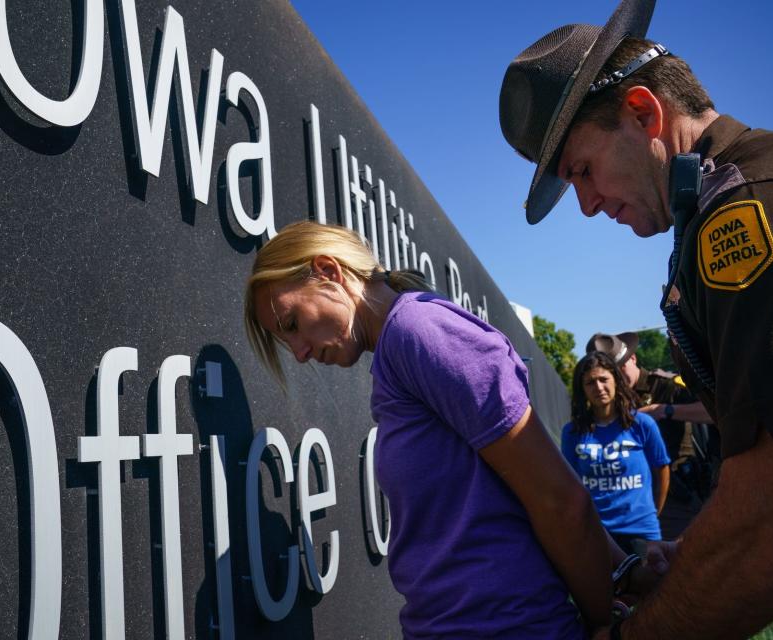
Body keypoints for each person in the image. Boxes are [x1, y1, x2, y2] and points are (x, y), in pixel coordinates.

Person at [499, 0, 773, 636]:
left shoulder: (744, 215)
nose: (585, 206)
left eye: (582, 172)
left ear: (643, 112)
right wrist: (698, 554)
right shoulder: (742, 196)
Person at [244, 221, 617, 638]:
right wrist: (626, 569)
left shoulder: (418, 332)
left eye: (292, 324)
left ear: (329, 271)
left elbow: (559, 501)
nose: (299, 354)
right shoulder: (397, 349)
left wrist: (604, 620)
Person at [586, 331, 718, 540]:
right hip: (629, 496)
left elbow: (714, 412)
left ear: (633, 358)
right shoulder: (605, 402)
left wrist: (664, 410)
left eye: (622, 367)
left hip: (676, 491)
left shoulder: (666, 386)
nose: (618, 377)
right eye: (611, 373)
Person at [562, 352, 670, 555]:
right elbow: (569, 483)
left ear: (615, 380)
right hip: (595, 534)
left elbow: (662, 470)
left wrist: (654, 512)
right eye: (590, 383)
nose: (599, 387)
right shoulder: (572, 432)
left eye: (603, 379)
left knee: (652, 586)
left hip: (642, 533)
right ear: (582, 389)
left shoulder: (642, 424)